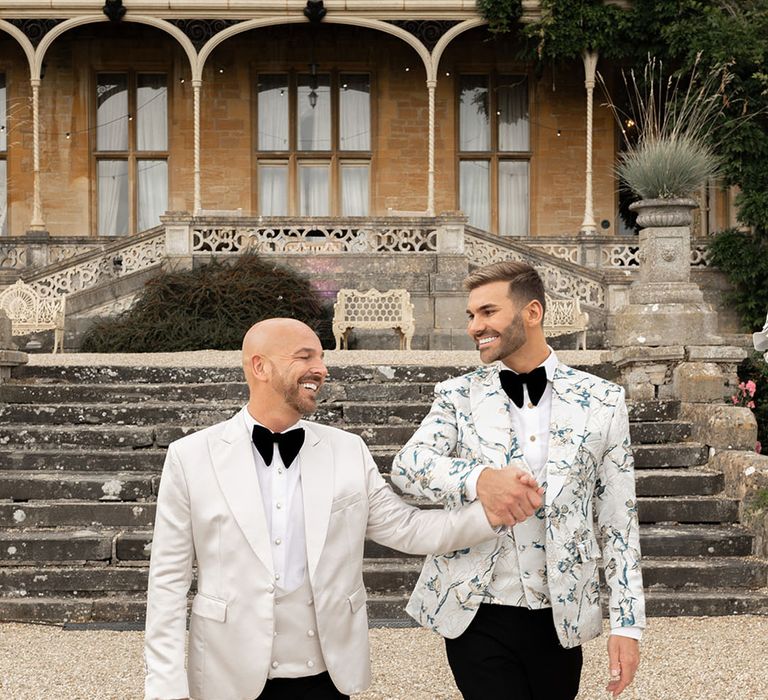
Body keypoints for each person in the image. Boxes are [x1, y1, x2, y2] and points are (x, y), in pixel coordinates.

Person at [144, 317, 509, 700]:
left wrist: (490, 514)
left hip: (327, 676)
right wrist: (166, 686)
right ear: (260, 366)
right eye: (304, 357)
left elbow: (407, 527)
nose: (320, 369)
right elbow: (167, 581)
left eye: (321, 357)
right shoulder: (190, 457)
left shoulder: (347, 450)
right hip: (225, 676)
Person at [391, 261, 646, 700]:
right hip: (477, 609)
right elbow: (408, 465)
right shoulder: (458, 395)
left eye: (487, 312)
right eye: (471, 316)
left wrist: (627, 622)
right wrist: (478, 479)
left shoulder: (603, 400)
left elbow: (618, 518)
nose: (475, 326)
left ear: (531, 313)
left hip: (561, 613)